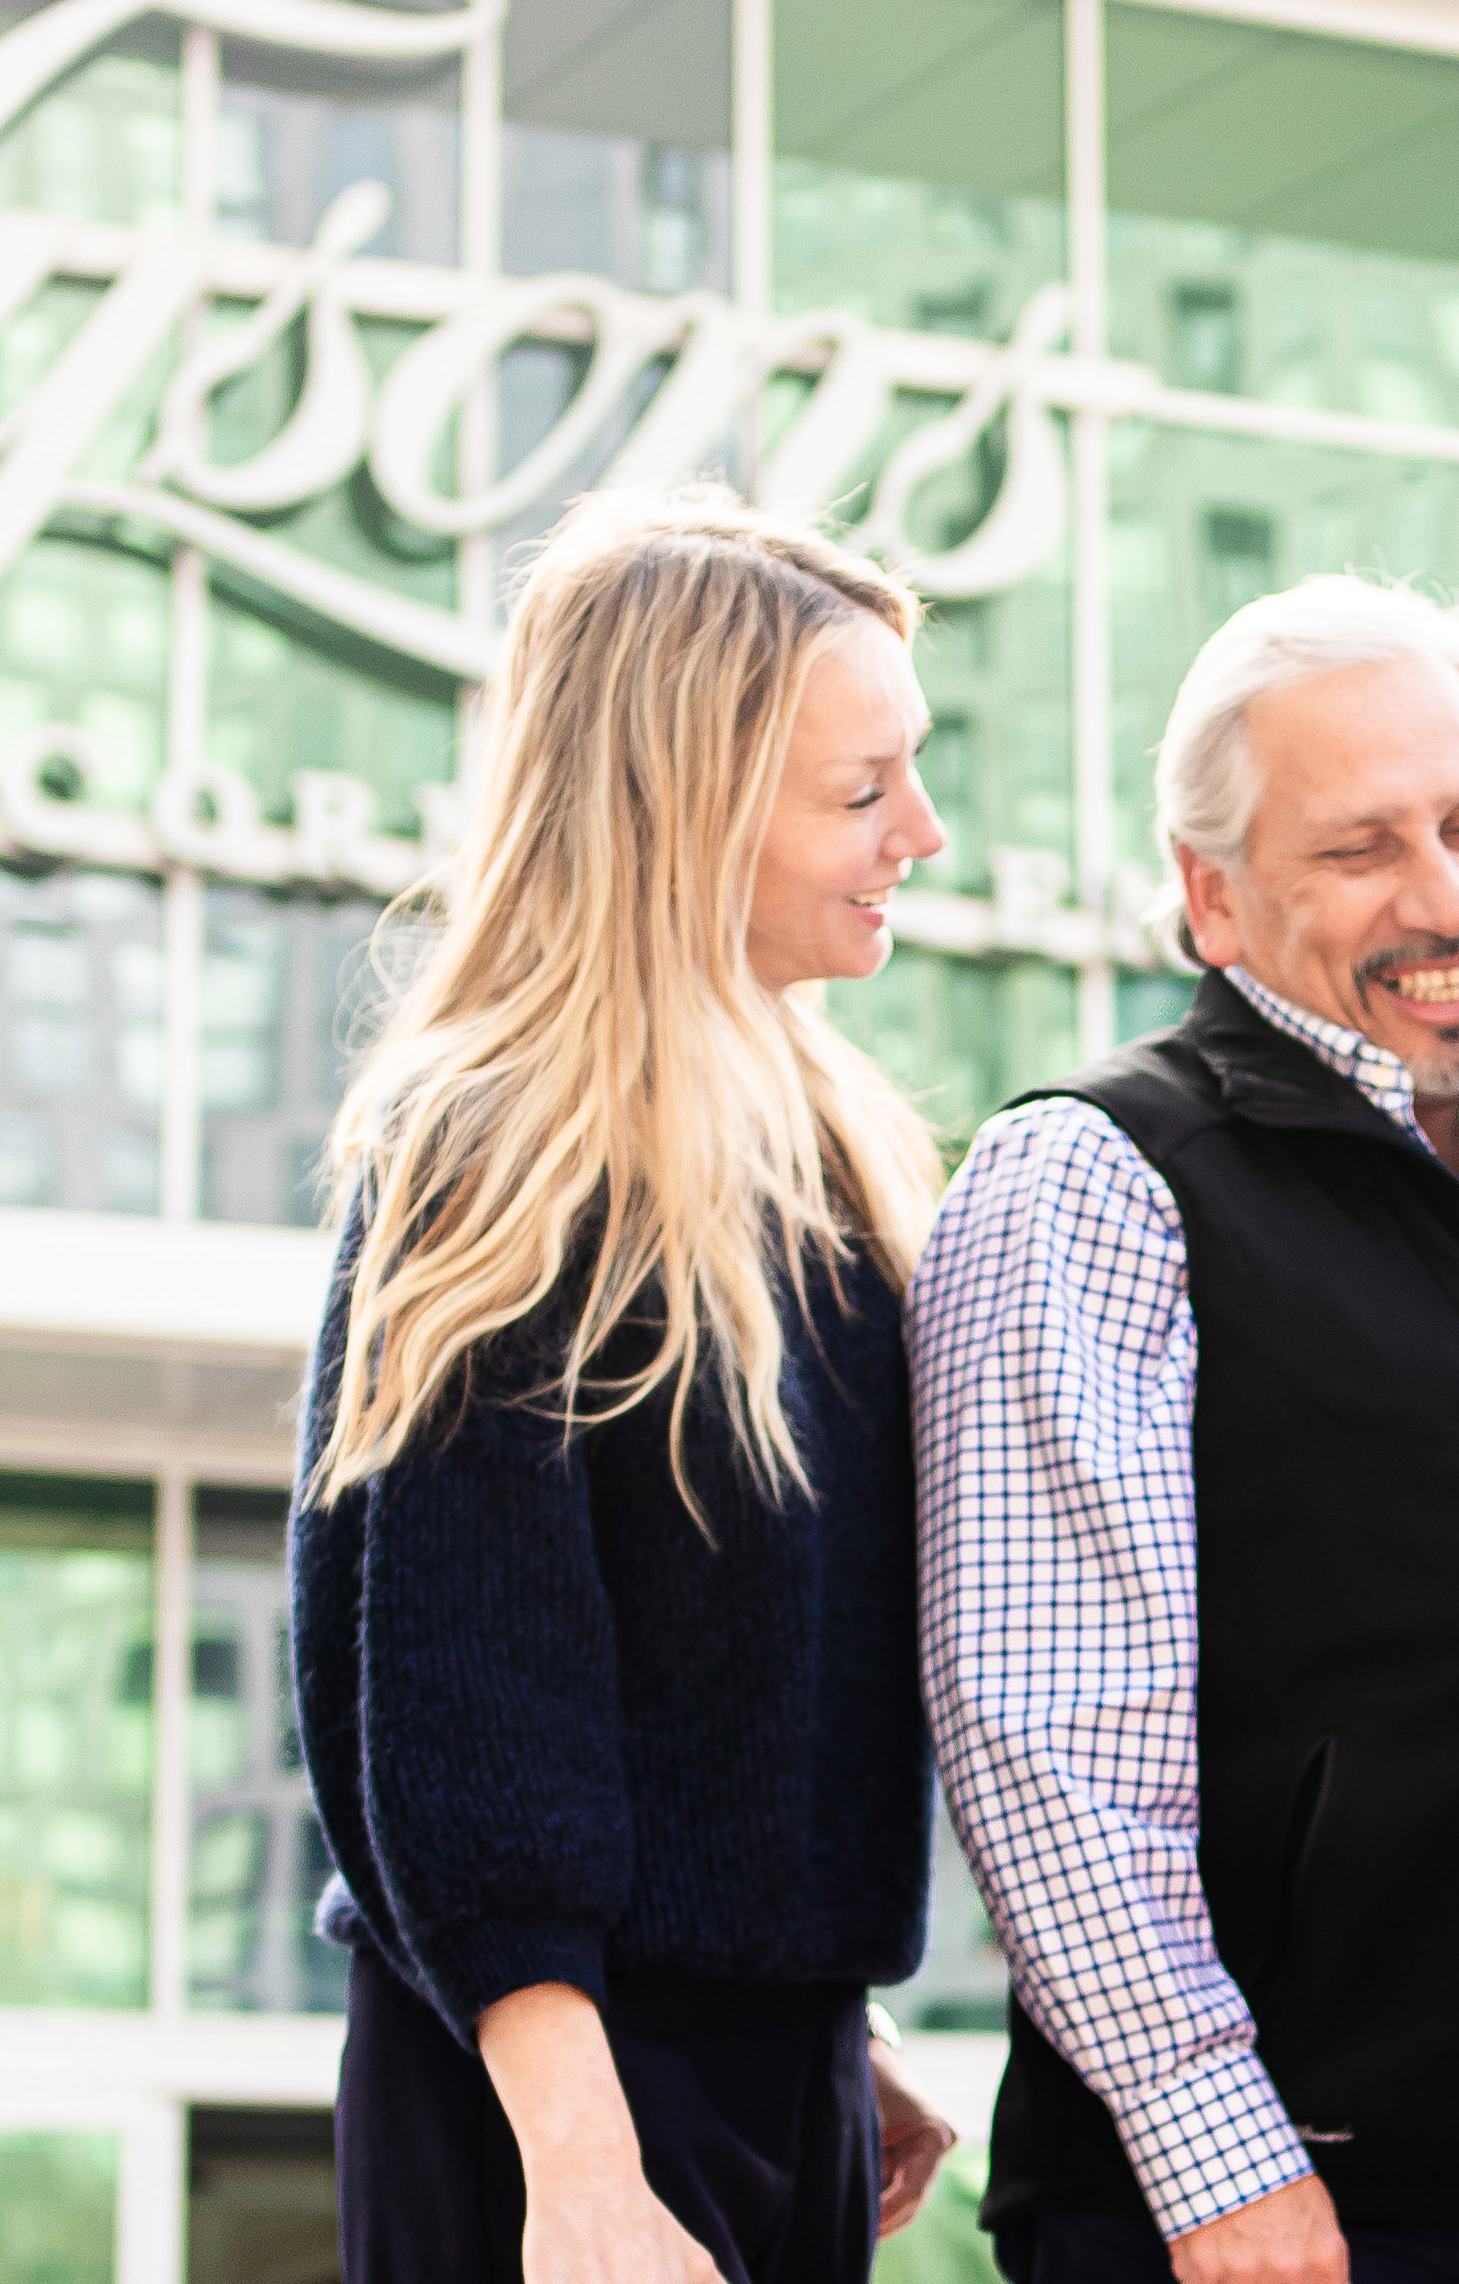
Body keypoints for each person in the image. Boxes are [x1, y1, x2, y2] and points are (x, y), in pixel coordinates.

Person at [917, 577, 1459, 2284]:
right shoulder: (1094, 1172)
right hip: (1259, 2221)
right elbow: (1042, 1730)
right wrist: (1211, 2153)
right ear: (1211, 898)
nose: (1444, 897)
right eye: (1359, 848)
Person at [290, 489, 974, 2284]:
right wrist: (584, 2167)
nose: (922, 830)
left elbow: (722, 1685)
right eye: (860, 791)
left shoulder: (827, 1148)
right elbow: (464, 1708)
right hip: (550, 2108)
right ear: (681, 808)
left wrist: (828, 2021)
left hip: (769, 2057)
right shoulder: (502, 1143)